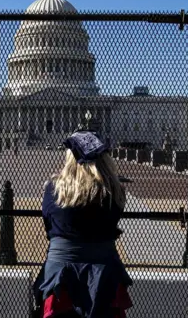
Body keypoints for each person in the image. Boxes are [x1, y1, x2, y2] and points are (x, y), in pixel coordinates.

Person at [34, 130, 133, 318]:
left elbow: (49, 226)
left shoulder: (53, 189)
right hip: (103, 271)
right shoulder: (115, 191)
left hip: (61, 273)